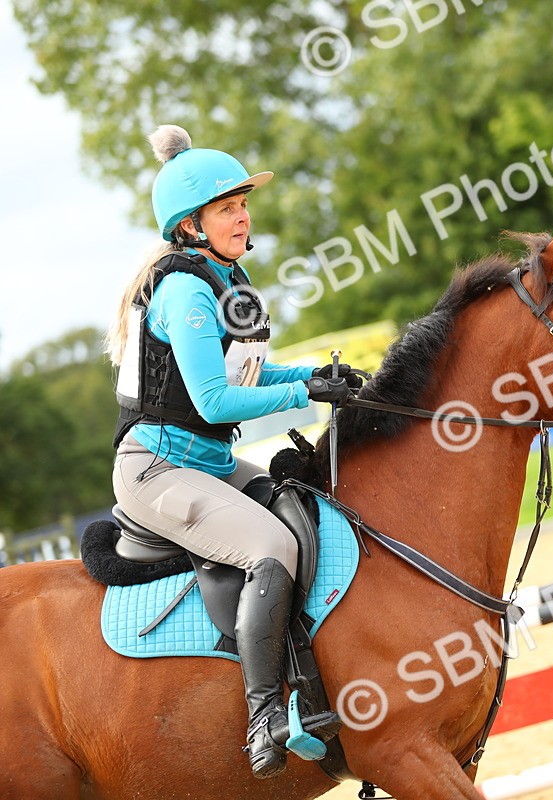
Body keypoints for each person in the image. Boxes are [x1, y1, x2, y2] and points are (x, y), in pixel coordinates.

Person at [105, 125, 359, 779]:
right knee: (271, 547)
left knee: (311, 508)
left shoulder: (227, 278)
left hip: (207, 462)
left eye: (244, 203)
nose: (242, 216)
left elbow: (251, 376)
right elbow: (216, 402)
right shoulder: (186, 291)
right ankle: (264, 717)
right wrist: (305, 390)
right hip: (157, 470)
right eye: (227, 207)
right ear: (191, 225)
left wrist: (320, 378)